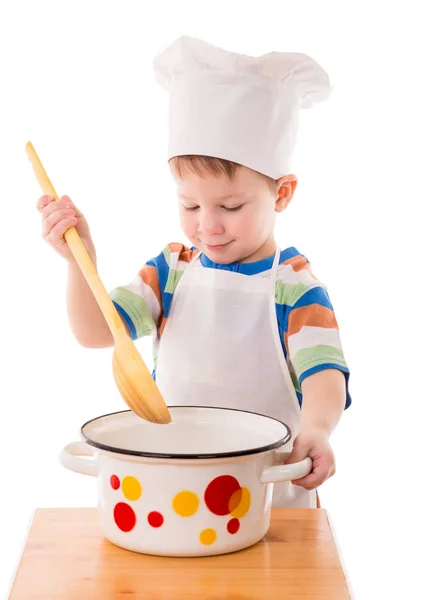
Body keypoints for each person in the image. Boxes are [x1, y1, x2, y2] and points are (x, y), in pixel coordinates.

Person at [36, 36, 351, 508]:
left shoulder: (294, 285)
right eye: (190, 204)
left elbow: (324, 374)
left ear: (281, 194)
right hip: (174, 493)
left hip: (268, 498)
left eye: (230, 205)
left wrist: (318, 429)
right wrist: (82, 262)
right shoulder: (171, 271)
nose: (207, 225)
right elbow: (97, 332)